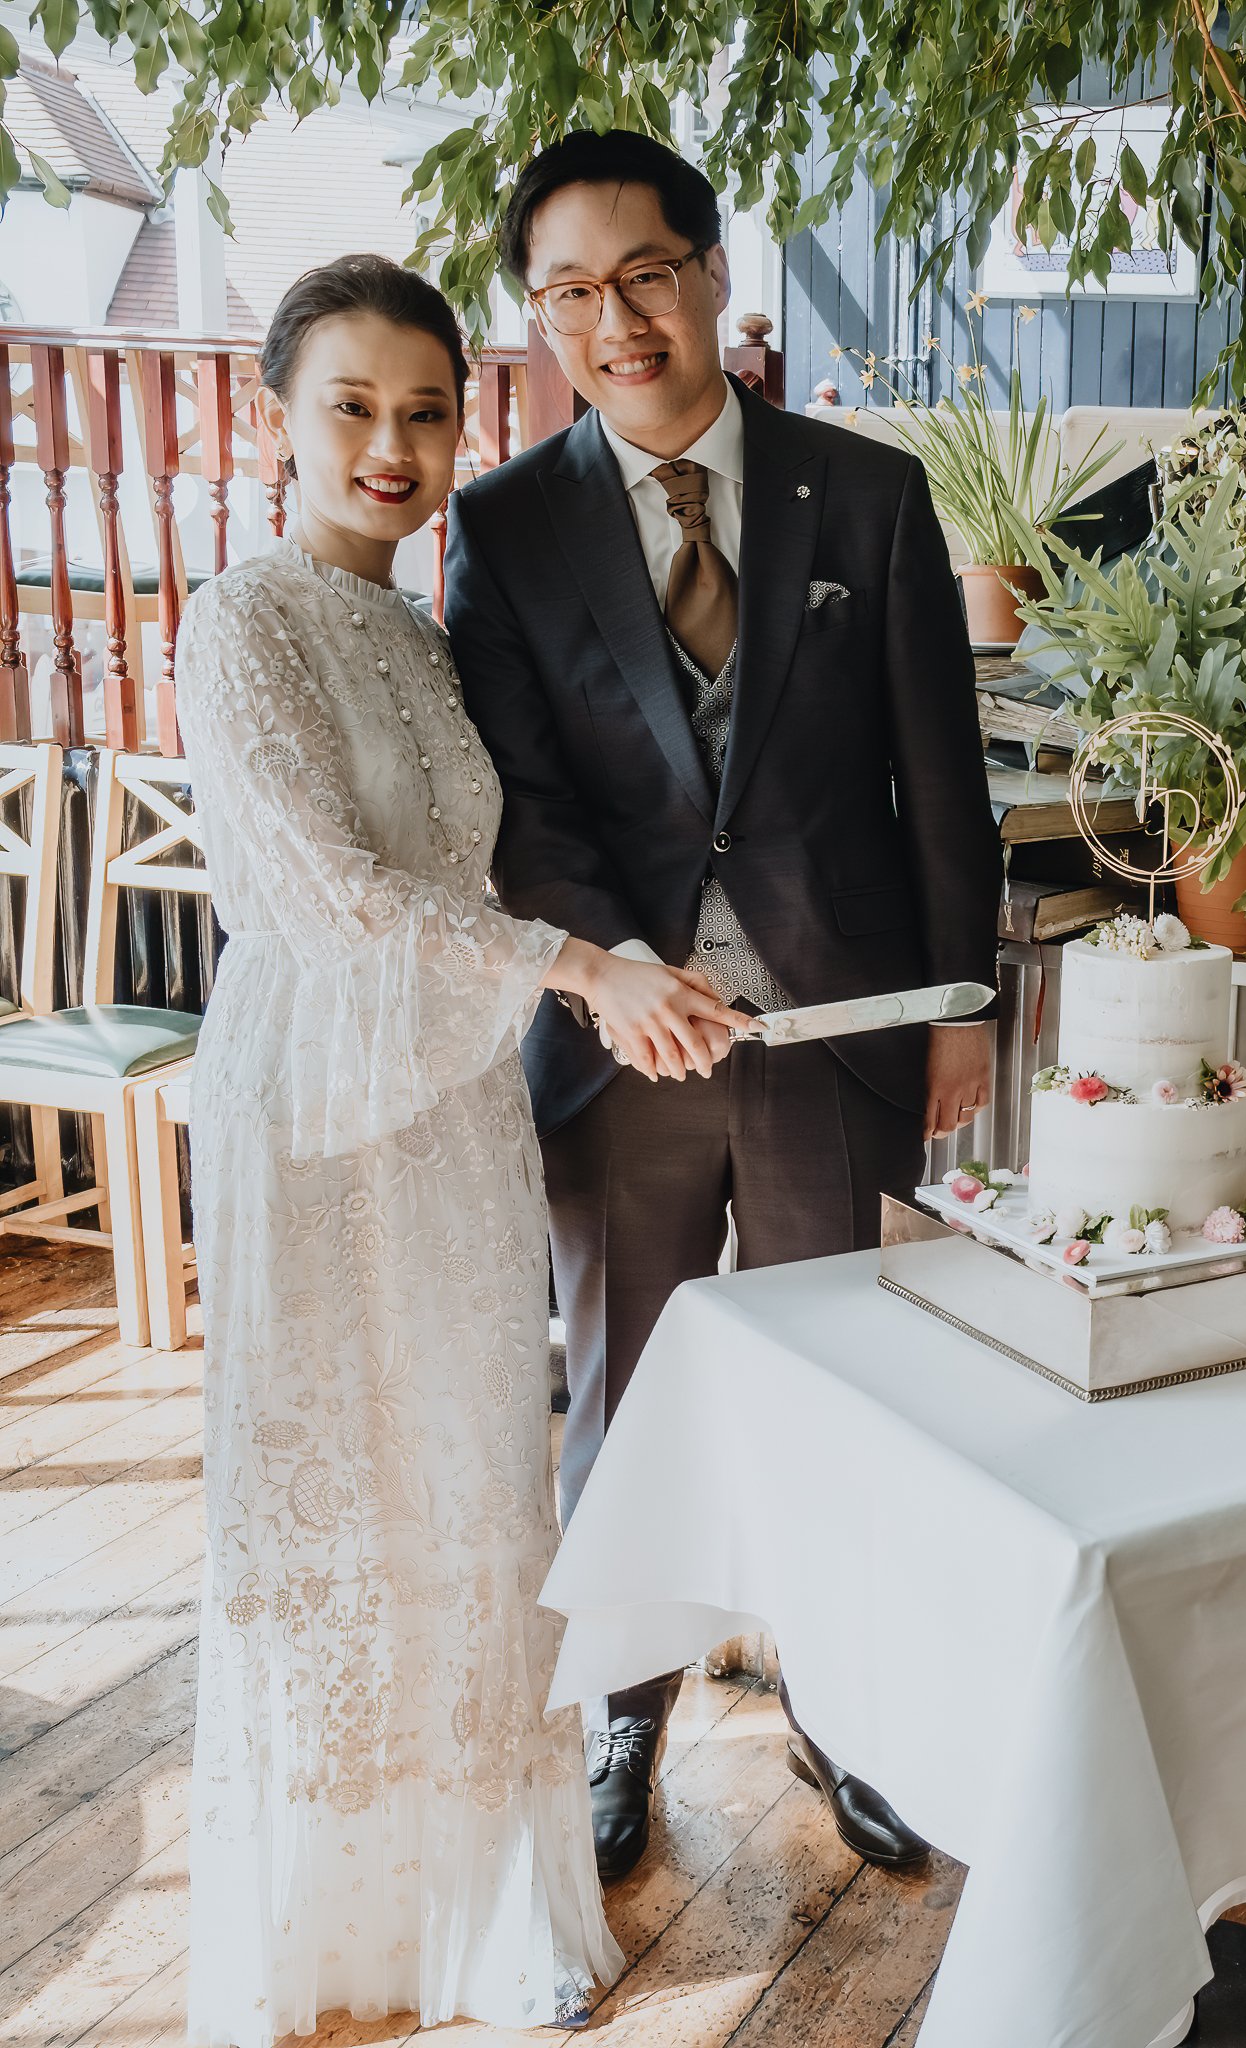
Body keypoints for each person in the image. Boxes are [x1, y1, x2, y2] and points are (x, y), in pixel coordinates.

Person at [177, 253, 745, 2047]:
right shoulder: (240, 618)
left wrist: (660, 962)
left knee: (471, 1487)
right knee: (335, 1503)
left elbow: (490, 868)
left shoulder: (425, 640)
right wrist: (583, 970)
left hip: (450, 1110)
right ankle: (328, 1924)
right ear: (278, 413)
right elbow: (339, 898)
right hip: (312, 1115)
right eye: (352, 404)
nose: (394, 444)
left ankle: (476, 1895)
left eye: (428, 410)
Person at [445, 131, 1003, 1882]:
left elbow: (942, 777)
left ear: (709, 273)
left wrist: (963, 1006)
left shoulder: (872, 491)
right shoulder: (503, 523)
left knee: (846, 1387)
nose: (613, 321)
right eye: (567, 292)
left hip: (840, 1026)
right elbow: (516, 806)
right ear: (538, 314)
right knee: (626, 1393)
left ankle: (854, 1713)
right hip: (623, 1049)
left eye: (644, 275)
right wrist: (615, 985)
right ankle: (627, 1714)